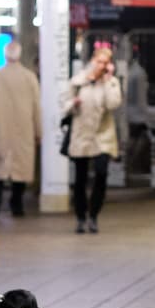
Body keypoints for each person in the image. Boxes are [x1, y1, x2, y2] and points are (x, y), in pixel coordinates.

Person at [65, 47, 123, 233]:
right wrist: (73, 105)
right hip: (82, 135)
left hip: (102, 137)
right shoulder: (79, 81)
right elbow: (65, 104)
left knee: (101, 173)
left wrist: (107, 81)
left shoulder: (112, 83)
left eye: (106, 63)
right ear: (92, 60)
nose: (102, 66)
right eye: (99, 61)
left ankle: (94, 215)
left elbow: (112, 104)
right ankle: (81, 216)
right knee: (80, 179)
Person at [0, 40, 42, 218]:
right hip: (24, 129)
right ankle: (16, 203)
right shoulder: (29, 77)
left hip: (0, 127)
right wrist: (38, 131)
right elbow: (37, 107)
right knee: (21, 167)